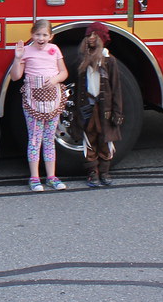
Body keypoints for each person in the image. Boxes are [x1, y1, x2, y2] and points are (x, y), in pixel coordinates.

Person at [10, 19, 69, 192]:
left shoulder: (55, 49)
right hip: (33, 101)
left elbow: (64, 72)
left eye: (44, 35)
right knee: (35, 139)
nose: (41, 38)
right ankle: (34, 177)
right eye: (37, 34)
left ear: (51, 36)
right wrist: (18, 58)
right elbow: (15, 76)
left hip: (52, 100)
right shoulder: (26, 51)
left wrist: (55, 79)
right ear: (32, 34)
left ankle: (51, 176)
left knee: (49, 139)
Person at [72, 22, 123, 187]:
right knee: (89, 138)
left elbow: (116, 88)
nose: (91, 38)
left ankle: (105, 171)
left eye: (94, 35)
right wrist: (76, 110)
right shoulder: (82, 59)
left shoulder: (109, 60)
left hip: (105, 108)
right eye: (89, 35)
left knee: (105, 140)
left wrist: (117, 112)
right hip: (87, 105)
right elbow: (79, 87)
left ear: (102, 38)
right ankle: (92, 171)